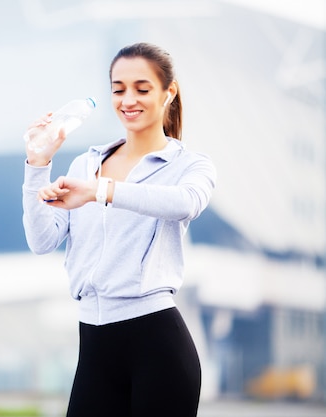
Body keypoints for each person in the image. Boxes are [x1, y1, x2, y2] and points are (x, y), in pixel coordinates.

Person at [22, 42, 216, 417]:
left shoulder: (190, 165)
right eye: (118, 88)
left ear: (168, 92)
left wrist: (101, 191)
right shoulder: (86, 163)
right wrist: (37, 164)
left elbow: (184, 203)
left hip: (158, 346)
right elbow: (42, 240)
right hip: (94, 345)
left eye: (142, 89)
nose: (129, 99)